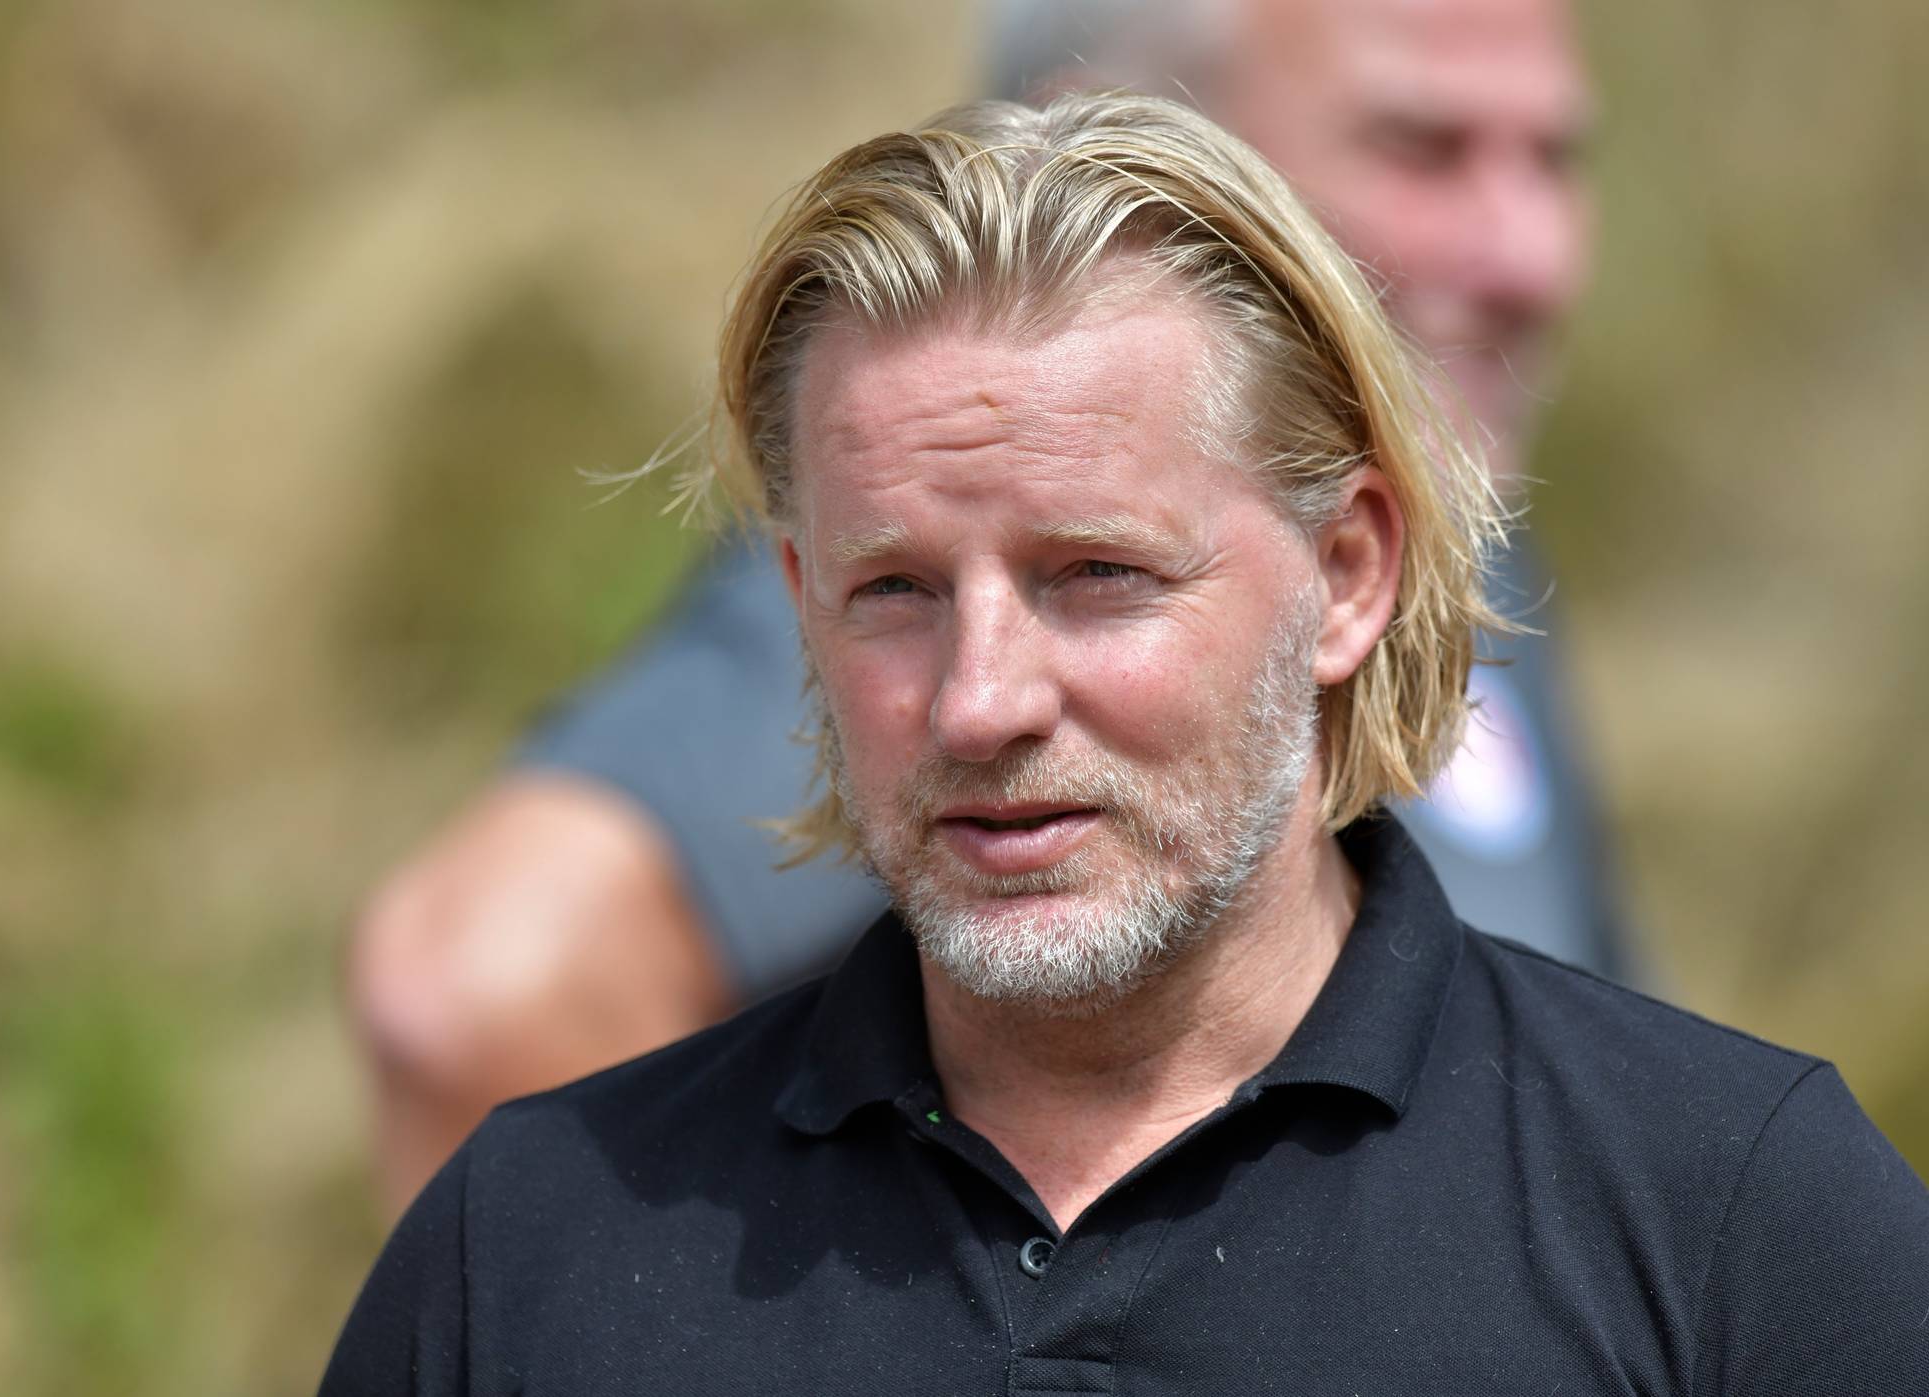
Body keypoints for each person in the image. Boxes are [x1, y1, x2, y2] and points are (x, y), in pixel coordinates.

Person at [320, 93, 1929, 1394]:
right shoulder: (527, 1249)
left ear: (1348, 573)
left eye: (1097, 576)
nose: (981, 698)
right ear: (797, 604)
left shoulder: (1728, 1220)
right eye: (894, 590)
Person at [350, 0, 1627, 1213]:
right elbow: (481, 977)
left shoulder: (1453, 537)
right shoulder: (950, 544)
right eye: (1419, 148)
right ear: (1096, 138)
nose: (1528, 256)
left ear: (1355, 568)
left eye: (1553, 158)